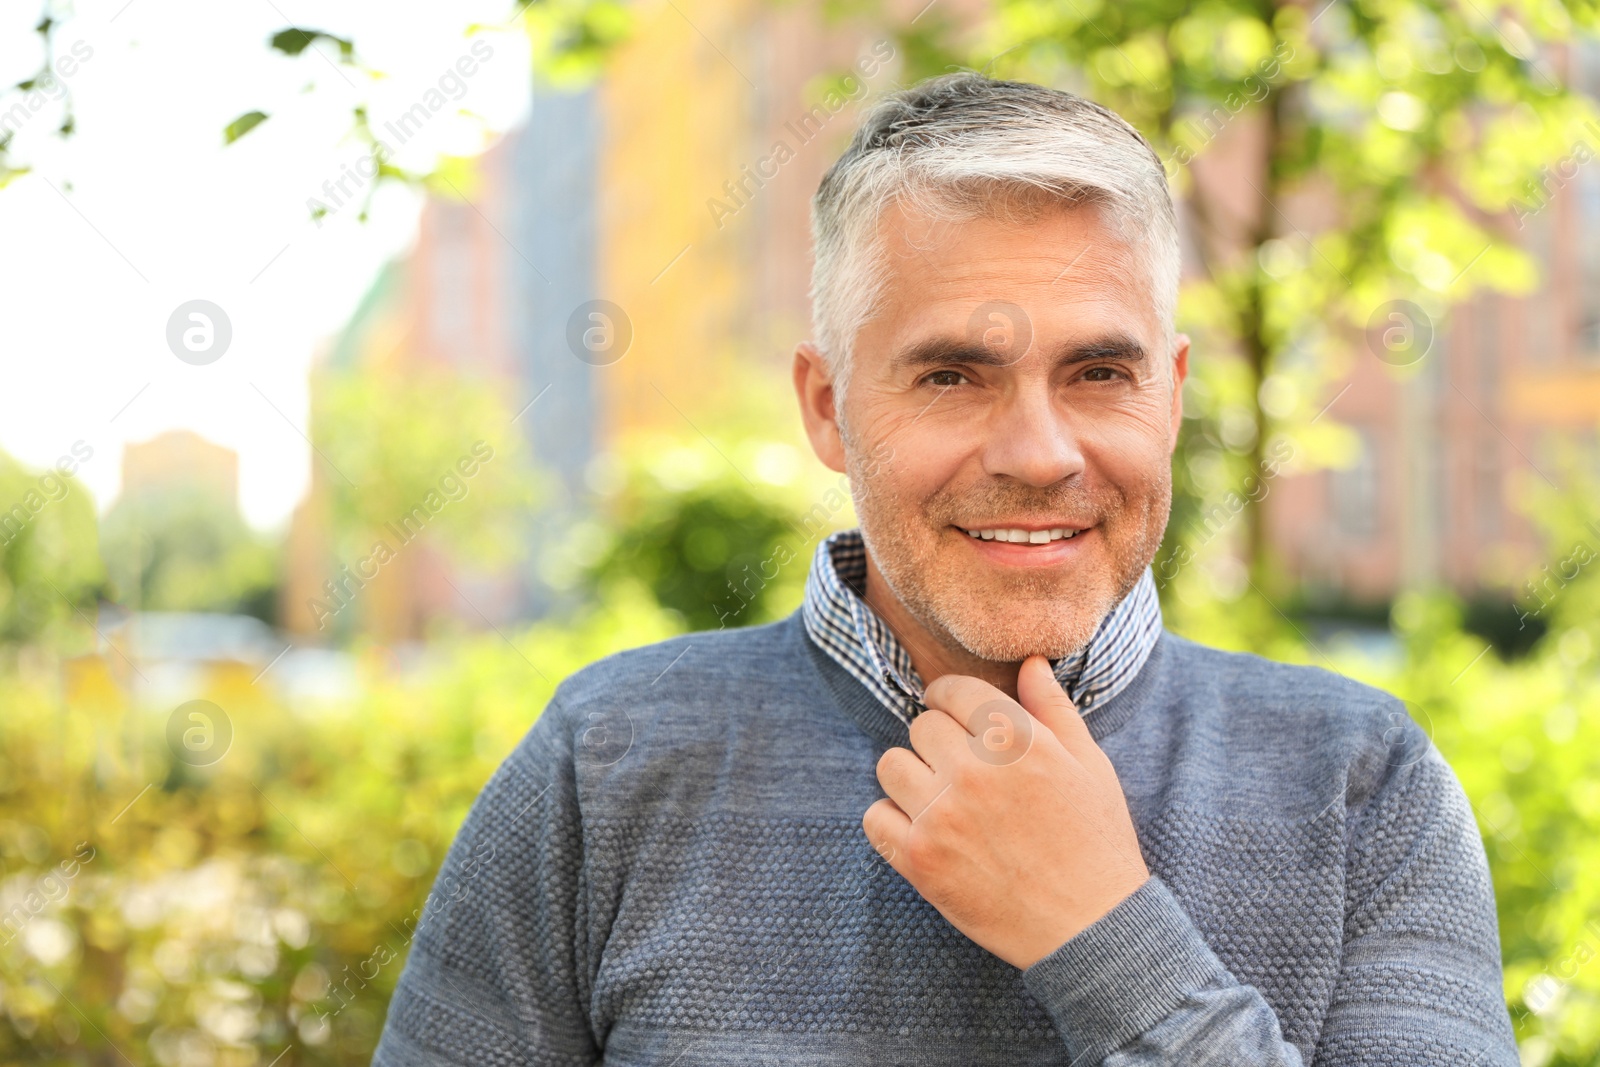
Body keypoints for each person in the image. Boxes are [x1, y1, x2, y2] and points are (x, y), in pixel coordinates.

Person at [372, 72, 1519, 1065]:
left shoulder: (1365, 786)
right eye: (952, 375)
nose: (1037, 452)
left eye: (1098, 373)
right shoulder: (608, 763)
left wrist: (1107, 934)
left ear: (1168, 394)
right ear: (828, 409)